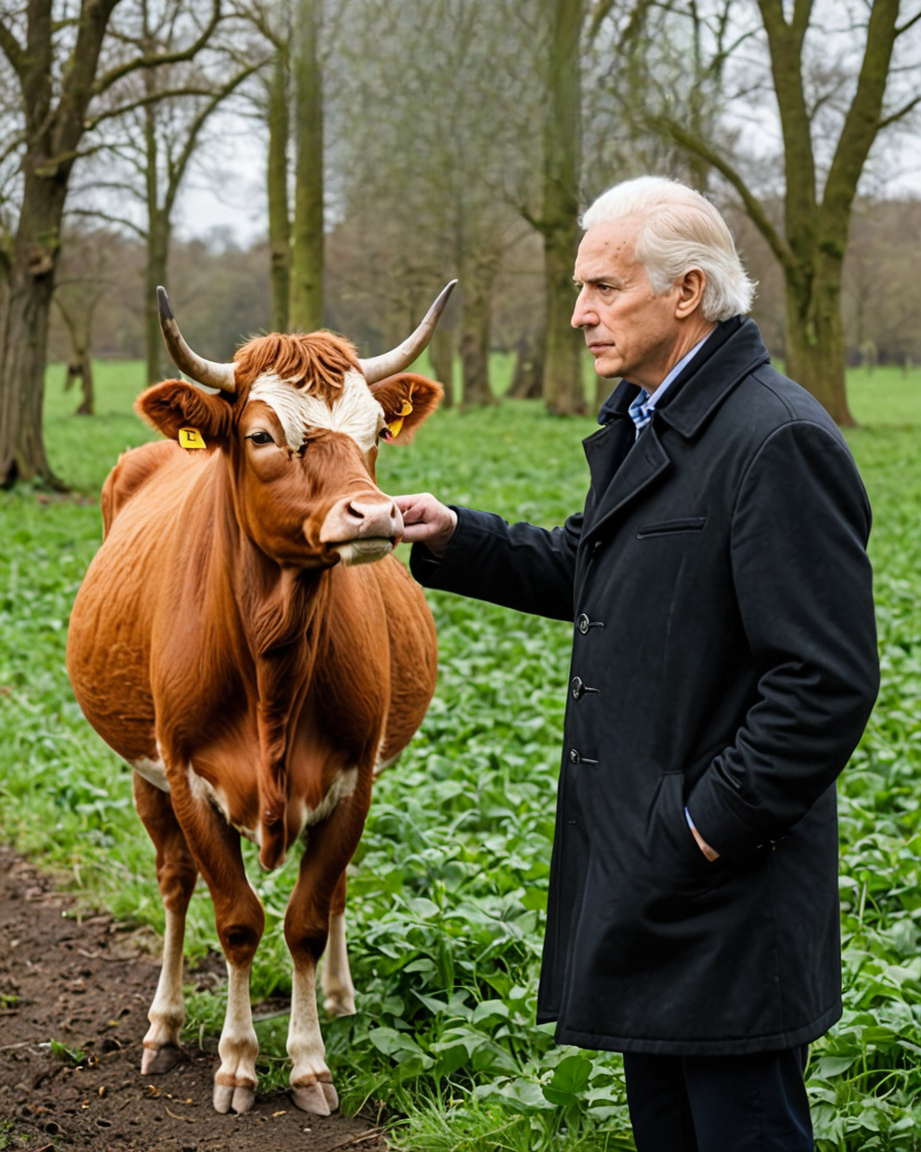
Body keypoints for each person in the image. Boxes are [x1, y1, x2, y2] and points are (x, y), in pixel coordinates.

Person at [395, 176, 880, 1152]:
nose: (579, 314)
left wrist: (703, 827)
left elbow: (825, 684)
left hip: (725, 899)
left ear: (688, 292)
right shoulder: (649, 422)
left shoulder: (774, 438)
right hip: (652, 887)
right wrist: (454, 534)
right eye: (582, 289)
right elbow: (593, 564)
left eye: (604, 289)